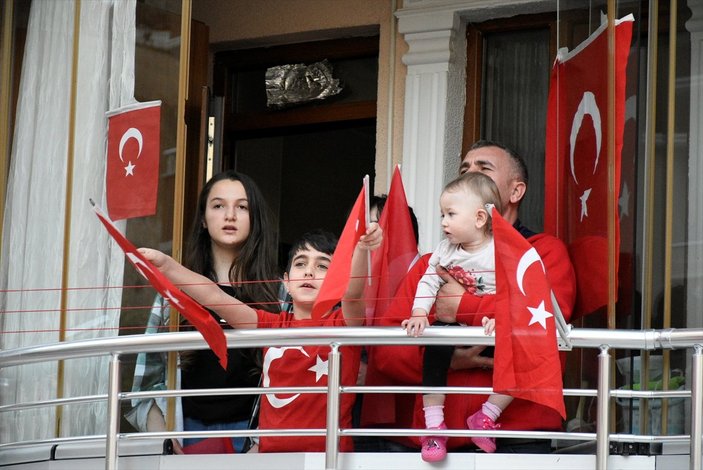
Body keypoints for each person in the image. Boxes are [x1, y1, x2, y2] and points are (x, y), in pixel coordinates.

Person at [371, 140, 577, 454]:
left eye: (483, 169)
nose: (469, 176)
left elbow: (546, 318)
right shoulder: (431, 264)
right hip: (434, 441)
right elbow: (386, 351)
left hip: (515, 435)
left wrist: (461, 307)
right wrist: (447, 360)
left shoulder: (541, 252)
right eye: (463, 170)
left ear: (515, 191)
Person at [139, 225, 382, 452]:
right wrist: (168, 266)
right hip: (270, 457)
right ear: (285, 282)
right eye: (301, 263)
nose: (309, 270)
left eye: (323, 266)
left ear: (337, 281)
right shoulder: (271, 325)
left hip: (328, 457)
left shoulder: (342, 324)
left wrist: (361, 249)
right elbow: (215, 296)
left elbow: (353, 293)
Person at [125, 170, 281, 454]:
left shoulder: (280, 294)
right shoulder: (172, 295)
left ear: (254, 219)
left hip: (256, 437)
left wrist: (258, 448)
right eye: (218, 205)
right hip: (187, 433)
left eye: (242, 207)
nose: (230, 215)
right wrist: (169, 445)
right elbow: (146, 385)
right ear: (202, 219)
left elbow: (294, 380)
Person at [401, 172, 510, 460]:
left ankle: (486, 416)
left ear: (479, 218)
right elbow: (428, 281)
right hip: (450, 326)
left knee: (519, 361)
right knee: (433, 359)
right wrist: (420, 312)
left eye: (450, 214)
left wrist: (496, 316)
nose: (443, 222)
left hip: (488, 327)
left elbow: (514, 292)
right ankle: (434, 427)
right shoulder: (444, 250)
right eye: (442, 214)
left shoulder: (501, 251)